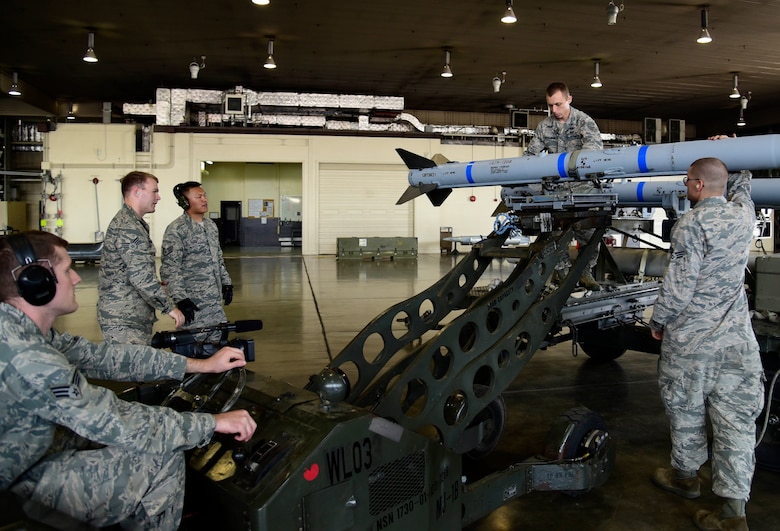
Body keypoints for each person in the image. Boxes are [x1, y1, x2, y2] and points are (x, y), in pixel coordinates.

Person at [0, 231, 257, 529]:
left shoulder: (18, 330)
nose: (77, 279)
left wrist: (203, 364)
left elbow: (106, 358)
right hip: (11, 487)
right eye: (67, 269)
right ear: (37, 284)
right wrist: (213, 423)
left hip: (21, 457)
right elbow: (115, 420)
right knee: (161, 455)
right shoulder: (28, 356)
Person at [649, 156, 764, 531]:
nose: (685, 187)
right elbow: (743, 189)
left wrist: (659, 320)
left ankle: (685, 477)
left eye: (687, 182)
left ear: (697, 185)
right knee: (736, 423)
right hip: (736, 343)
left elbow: (679, 287)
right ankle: (733, 513)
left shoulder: (691, 224)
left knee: (685, 409)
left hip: (691, 343)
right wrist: (741, 159)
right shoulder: (744, 216)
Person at [525, 82, 604, 290]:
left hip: (584, 191)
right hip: (556, 193)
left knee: (590, 234)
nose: (554, 110)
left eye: (558, 104)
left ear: (569, 99)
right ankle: (562, 271)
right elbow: (530, 155)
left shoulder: (584, 122)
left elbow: (592, 154)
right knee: (553, 234)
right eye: (550, 106)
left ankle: (585, 271)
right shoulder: (544, 127)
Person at [98, 171, 186, 345]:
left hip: (130, 315)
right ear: (137, 192)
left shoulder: (132, 223)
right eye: (154, 191)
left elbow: (129, 271)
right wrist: (170, 308)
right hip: (124, 319)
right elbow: (141, 278)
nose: (158, 197)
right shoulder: (129, 227)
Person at [161, 181, 233, 337]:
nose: (204, 200)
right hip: (193, 305)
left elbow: (218, 258)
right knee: (194, 349)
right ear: (185, 202)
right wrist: (181, 299)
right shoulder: (177, 229)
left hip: (215, 305)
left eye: (205, 196)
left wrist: (226, 282)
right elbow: (170, 269)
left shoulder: (211, 226)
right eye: (198, 197)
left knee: (217, 345)